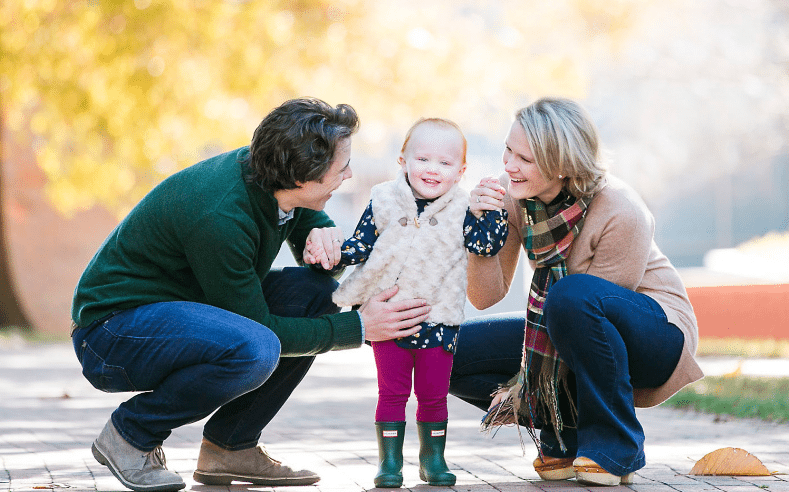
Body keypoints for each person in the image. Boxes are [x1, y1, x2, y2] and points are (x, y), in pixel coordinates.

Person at [70, 97, 432, 492]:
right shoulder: (220, 218)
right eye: (341, 167)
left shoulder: (268, 169)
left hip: (173, 311)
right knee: (255, 348)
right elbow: (262, 330)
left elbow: (305, 216)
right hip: (112, 334)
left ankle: (231, 446)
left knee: (316, 295)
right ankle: (129, 436)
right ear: (301, 179)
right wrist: (358, 328)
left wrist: (323, 237)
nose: (348, 175)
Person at [448, 98, 703, 486]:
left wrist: (526, 382)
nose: (508, 165)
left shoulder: (620, 208)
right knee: (445, 353)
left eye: (525, 159)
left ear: (563, 165)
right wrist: (480, 232)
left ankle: (617, 449)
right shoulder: (511, 197)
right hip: (566, 321)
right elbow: (485, 298)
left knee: (571, 296)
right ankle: (563, 437)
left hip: (655, 335)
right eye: (508, 150)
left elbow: (590, 329)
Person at [304, 118, 508, 488]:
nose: (432, 169)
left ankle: (433, 460)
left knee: (433, 395)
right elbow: (361, 246)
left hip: (438, 319)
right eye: (423, 159)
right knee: (392, 392)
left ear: (461, 171)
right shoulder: (383, 198)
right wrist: (330, 254)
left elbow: (486, 246)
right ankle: (390, 463)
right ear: (403, 161)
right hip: (390, 318)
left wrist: (492, 212)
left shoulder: (465, 208)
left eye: (445, 163)